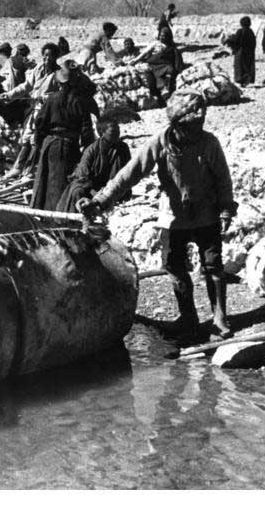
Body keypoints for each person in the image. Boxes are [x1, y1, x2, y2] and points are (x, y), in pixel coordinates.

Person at [78, 92, 238, 341]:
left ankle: (219, 318)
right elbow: (128, 174)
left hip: (206, 213)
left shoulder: (209, 143)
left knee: (213, 266)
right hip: (173, 216)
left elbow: (223, 178)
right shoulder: (160, 142)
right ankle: (189, 318)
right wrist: (100, 200)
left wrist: (226, 208)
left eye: (200, 124)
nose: (197, 129)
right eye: (191, 126)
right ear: (177, 124)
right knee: (173, 265)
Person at [30, 60, 95, 210]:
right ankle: (60, 214)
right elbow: (87, 132)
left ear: (60, 82)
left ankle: (45, 214)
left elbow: (39, 124)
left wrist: (39, 145)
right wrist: (86, 152)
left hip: (50, 144)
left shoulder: (52, 99)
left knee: (46, 181)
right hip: (69, 146)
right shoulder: (81, 102)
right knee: (62, 182)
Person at [0, 42, 63, 178]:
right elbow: (26, 86)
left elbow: (62, 95)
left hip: (49, 112)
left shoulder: (59, 74)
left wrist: (45, 98)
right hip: (35, 110)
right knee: (26, 137)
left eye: (50, 56)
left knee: (35, 139)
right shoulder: (38, 69)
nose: (47, 59)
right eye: (45, 56)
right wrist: (9, 95)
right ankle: (18, 167)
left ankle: (29, 170)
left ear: (55, 57)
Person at [56, 119, 131, 213]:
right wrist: (97, 195)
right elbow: (83, 178)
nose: (117, 134)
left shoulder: (123, 148)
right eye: (113, 132)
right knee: (78, 191)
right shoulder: (91, 150)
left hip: (114, 186)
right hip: (91, 188)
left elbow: (128, 170)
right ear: (102, 133)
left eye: (118, 130)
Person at [130, 27, 183, 104]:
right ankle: (162, 90)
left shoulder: (171, 46)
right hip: (154, 64)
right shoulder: (155, 44)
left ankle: (166, 88)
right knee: (155, 75)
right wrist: (136, 60)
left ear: (168, 37)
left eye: (164, 36)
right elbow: (144, 53)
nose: (162, 37)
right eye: (160, 35)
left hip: (164, 64)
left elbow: (175, 56)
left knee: (170, 69)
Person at [223, 16, 256, 86]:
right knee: (247, 66)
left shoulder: (240, 31)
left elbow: (236, 41)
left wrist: (229, 40)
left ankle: (241, 81)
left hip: (240, 52)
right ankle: (246, 80)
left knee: (240, 67)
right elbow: (253, 43)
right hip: (249, 52)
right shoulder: (251, 31)